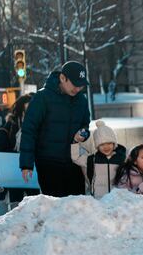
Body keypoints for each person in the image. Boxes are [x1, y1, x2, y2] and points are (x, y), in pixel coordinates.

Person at [19, 61, 91, 197]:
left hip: (73, 162)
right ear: (63, 78)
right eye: (75, 84)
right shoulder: (42, 98)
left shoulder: (81, 100)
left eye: (81, 86)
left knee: (77, 207)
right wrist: (26, 164)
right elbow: (29, 130)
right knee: (54, 208)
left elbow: (85, 124)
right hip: (48, 163)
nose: (77, 89)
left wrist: (84, 133)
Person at [0, 94, 39, 214]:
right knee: (17, 209)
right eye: (28, 108)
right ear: (21, 109)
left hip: (34, 172)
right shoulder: (10, 126)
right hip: (15, 173)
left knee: (36, 206)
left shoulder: (40, 125)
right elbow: (1, 149)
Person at [71, 120, 126, 199]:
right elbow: (76, 158)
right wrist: (75, 142)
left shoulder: (121, 158)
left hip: (116, 200)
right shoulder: (92, 159)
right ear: (97, 146)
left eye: (109, 143)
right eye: (102, 144)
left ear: (114, 144)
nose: (106, 147)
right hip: (98, 200)